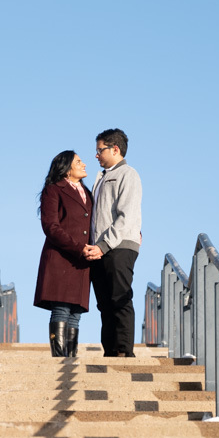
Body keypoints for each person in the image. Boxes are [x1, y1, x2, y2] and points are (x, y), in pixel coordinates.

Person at [84, 128, 142, 358]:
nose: (96, 155)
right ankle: (110, 352)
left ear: (115, 149)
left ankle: (125, 352)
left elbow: (126, 215)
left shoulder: (128, 174)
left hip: (118, 247)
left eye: (100, 150)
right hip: (100, 248)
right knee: (104, 304)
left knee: (120, 298)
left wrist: (103, 245)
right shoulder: (101, 177)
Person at [33, 150, 94, 357]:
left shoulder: (88, 193)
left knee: (76, 311)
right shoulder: (53, 190)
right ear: (67, 169)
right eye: (78, 161)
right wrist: (78, 247)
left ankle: (71, 358)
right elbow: (50, 226)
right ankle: (59, 360)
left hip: (83, 261)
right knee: (62, 308)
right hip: (62, 258)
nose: (84, 164)